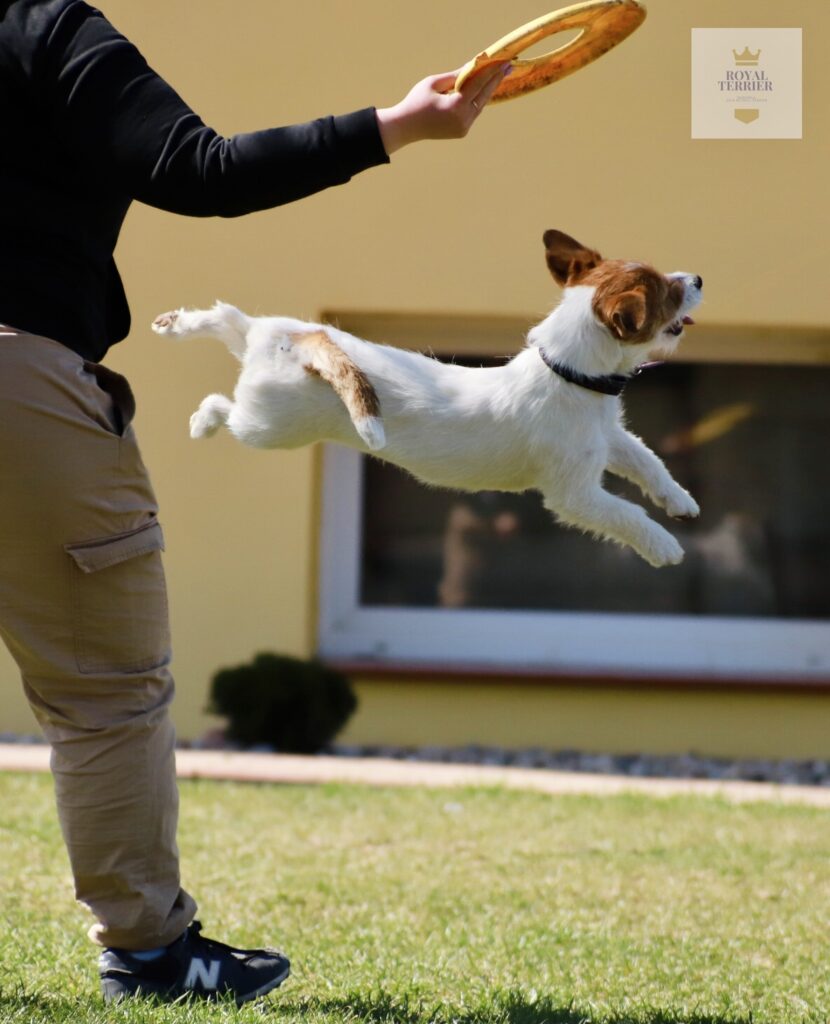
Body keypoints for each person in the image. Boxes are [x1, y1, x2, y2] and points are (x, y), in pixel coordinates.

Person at [0, 0, 508, 1005]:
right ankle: (150, 951)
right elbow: (200, 169)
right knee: (104, 691)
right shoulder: (45, 28)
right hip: (21, 380)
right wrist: (398, 124)